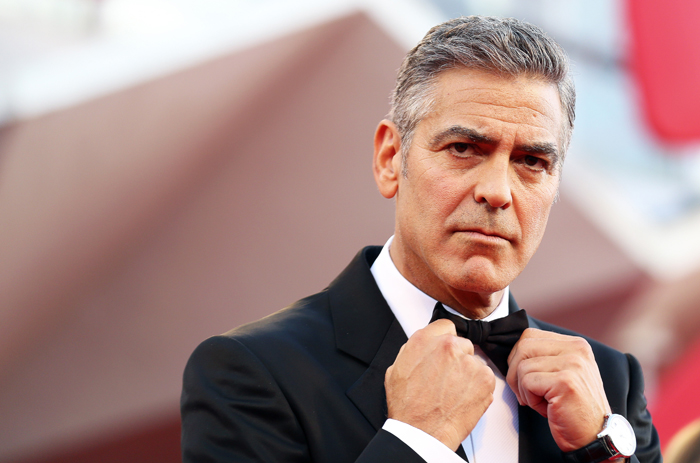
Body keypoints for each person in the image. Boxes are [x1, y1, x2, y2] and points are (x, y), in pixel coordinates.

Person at [181, 15, 661, 463]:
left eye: (532, 161)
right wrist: (416, 441)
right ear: (391, 158)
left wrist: (604, 451)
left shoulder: (611, 381)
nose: (496, 192)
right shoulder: (251, 372)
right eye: (464, 148)